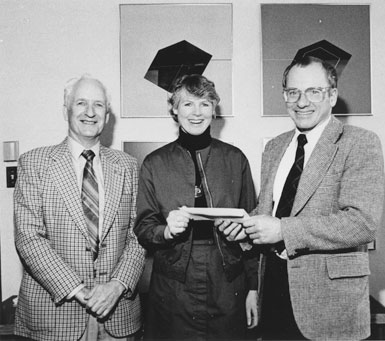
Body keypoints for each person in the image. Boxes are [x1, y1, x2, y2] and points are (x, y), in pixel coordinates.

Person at [224, 56, 384, 340]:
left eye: (314, 91)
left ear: (332, 96)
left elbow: (362, 223)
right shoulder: (274, 147)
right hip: (273, 295)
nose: (302, 101)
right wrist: (244, 229)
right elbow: (268, 215)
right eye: (293, 92)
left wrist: (283, 229)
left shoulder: (360, 142)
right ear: (285, 96)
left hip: (330, 307)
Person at [14, 75, 145, 341]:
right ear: (66, 111)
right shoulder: (35, 163)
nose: (90, 112)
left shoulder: (128, 165)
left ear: (107, 116)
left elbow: (138, 236)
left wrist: (117, 286)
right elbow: (28, 239)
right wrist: (79, 290)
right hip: (55, 315)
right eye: (81, 103)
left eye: (98, 105)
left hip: (117, 315)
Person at [134, 74, 259, 340]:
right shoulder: (154, 164)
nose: (196, 112)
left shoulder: (235, 159)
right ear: (174, 110)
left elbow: (254, 224)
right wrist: (165, 232)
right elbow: (143, 227)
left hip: (227, 279)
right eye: (188, 104)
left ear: (214, 110)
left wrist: (253, 288)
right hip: (173, 282)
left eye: (204, 104)